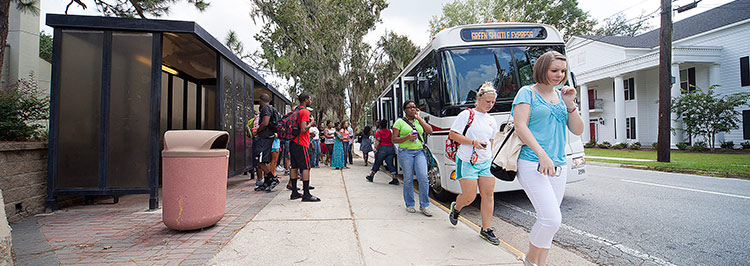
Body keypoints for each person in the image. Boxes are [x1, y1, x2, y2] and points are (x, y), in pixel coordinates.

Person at [511, 51, 584, 266]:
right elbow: (520, 126)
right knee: (552, 219)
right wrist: (542, 155)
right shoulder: (527, 93)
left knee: (550, 222)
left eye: (563, 71)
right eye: (554, 70)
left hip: (558, 165)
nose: (559, 75)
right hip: (533, 162)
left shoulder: (563, 96)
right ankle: (531, 261)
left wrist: (570, 104)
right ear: (542, 69)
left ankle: (536, 263)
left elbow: (578, 130)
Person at [447, 82, 500, 245]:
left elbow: (491, 141)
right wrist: (472, 142)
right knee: (469, 197)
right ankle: (456, 207)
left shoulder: (492, 120)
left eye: (492, 102)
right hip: (467, 160)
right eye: (487, 101)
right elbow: (453, 135)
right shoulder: (466, 115)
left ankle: (486, 229)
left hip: (486, 161)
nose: (490, 105)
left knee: (488, 195)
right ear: (478, 99)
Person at [392, 100, 434, 216]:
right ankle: (410, 203)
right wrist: (407, 138)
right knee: (408, 179)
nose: (412, 109)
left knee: (423, 178)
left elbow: (430, 130)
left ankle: (424, 205)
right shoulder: (399, 122)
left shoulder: (418, 121)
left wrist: (419, 118)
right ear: (404, 110)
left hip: (419, 151)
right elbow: (394, 139)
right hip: (405, 152)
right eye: (409, 107)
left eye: (414, 107)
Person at [288, 93, 321, 202]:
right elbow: (303, 129)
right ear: (306, 100)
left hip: (293, 142)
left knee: (294, 167)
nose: (310, 100)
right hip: (301, 143)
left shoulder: (296, 111)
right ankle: (306, 194)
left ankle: (294, 192)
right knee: (306, 167)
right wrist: (311, 123)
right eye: (309, 99)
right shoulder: (305, 112)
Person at [253, 93, 281, 192]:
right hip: (269, 138)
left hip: (265, 138)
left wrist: (257, 131)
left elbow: (265, 123)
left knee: (259, 160)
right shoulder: (272, 108)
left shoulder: (265, 108)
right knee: (265, 160)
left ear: (261, 101)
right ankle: (266, 182)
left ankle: (273, 179)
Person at [365, 120, 399, 185]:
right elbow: (392, 139)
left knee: (377, 163)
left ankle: (371, 176)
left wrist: (375, 148)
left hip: (382, 149)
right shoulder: (390, 131)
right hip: (390, 148)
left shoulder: (378, 132)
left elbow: (378, 140)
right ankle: (395, 178)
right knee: (390, 164)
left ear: (380, 125)